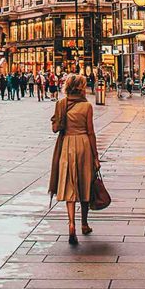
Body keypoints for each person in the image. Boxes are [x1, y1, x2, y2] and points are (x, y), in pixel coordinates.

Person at [49, 74, 100, 245]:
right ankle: (84, 224)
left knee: (70, 185)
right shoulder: (87, 106)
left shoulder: (61, 104)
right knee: (85, 183)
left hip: (67, 146)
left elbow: (55, 129)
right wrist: (96, 155)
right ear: (80, 88)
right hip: (84, 144)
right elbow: (91, 132)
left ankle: (71, 225)